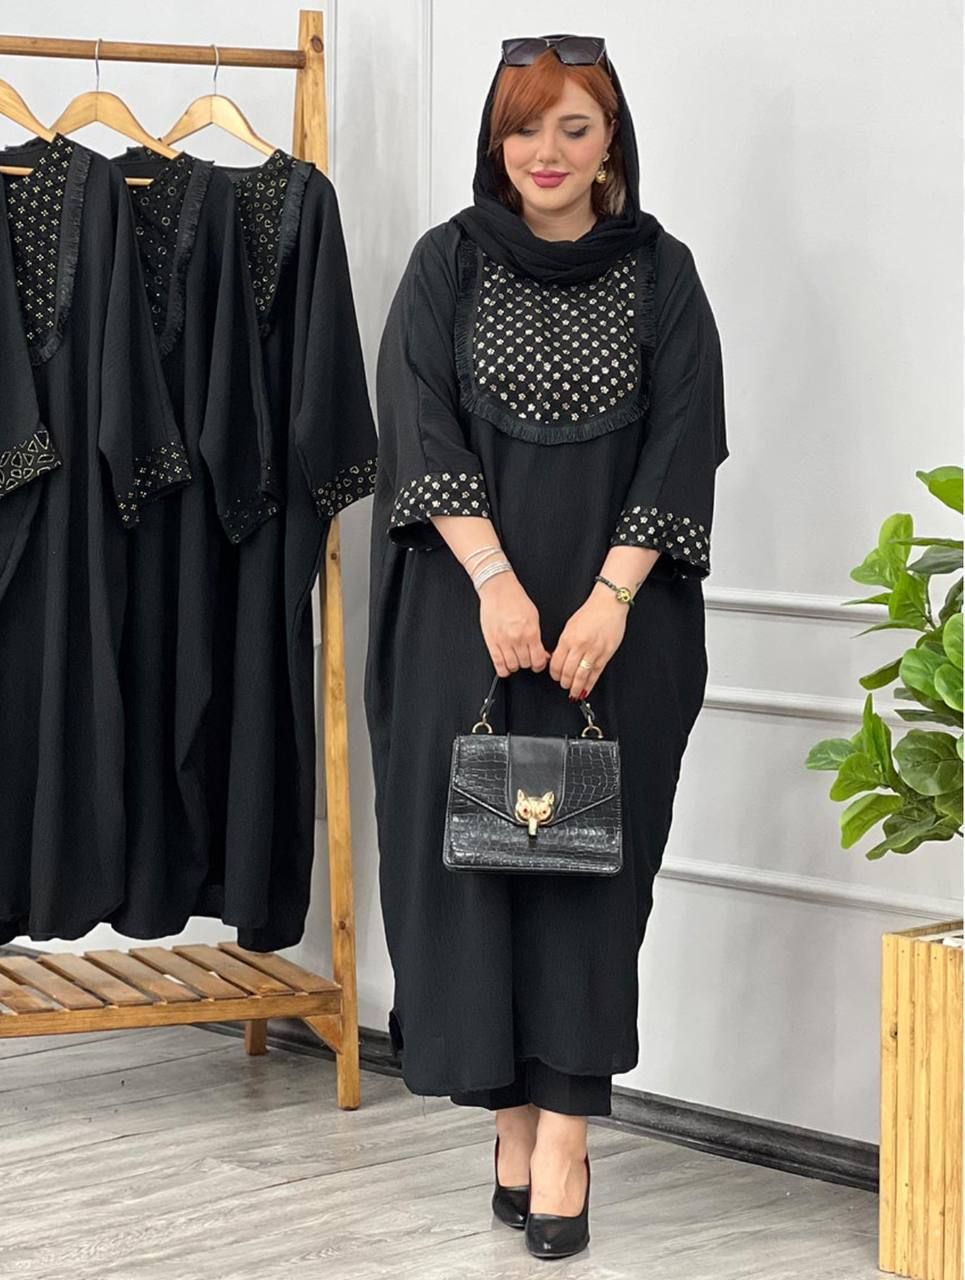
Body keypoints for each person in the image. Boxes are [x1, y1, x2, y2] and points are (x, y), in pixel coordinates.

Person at [364, 32, 728, 1259]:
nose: (547, 151)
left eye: (574, 126)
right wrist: (495, 583)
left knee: (589, 881)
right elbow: (416, 423)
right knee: (475, 877)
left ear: (610, 139)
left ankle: (564, 1135)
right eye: (525, 127)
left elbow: (684, 441)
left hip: (619, 629)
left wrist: (612, 597)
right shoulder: (445, 263)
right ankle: (509, 1120)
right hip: (460, 619)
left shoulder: (663, 274)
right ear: (496, 139)